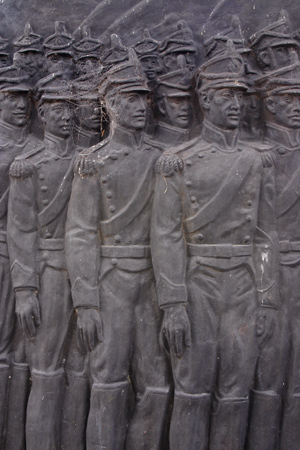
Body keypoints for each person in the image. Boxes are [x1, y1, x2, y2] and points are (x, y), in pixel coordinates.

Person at [151, 41, 278, 450]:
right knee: (191, 392)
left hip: (242, 286)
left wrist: (268, 299)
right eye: (226, 95)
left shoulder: (257, 160)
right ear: (204, 99)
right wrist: (173, 304)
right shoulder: (178, 160)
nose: (236, 103)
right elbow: (166, 234)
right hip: (198, 282)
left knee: (235, 395)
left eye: (240, 95)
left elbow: (264, 236)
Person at [65, 50, 170, 450]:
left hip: (153, 284)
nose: (141, 106)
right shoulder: (92, 163)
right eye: (129, 98)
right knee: (107, 381)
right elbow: (80, 233)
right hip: (110, 284)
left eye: (143, 97)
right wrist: (86, 301)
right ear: (109, 103)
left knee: (157, 385)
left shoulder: (162, 160)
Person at [7, 73, 81, 450]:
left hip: (88, 276)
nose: (66, 115)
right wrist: (24, 290)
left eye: (70, 107)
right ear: (42, 113)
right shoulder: (28, 164)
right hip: (49, 273)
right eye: (56, 108)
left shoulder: (89, 157)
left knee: (83, 374)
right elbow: (20, 231)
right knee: (47, 373)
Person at [0, 70, 40, 450]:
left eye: (24, 97)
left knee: (22, 351)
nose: (18, 104)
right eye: (10, 95)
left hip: (28, 256)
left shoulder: (34, 147)